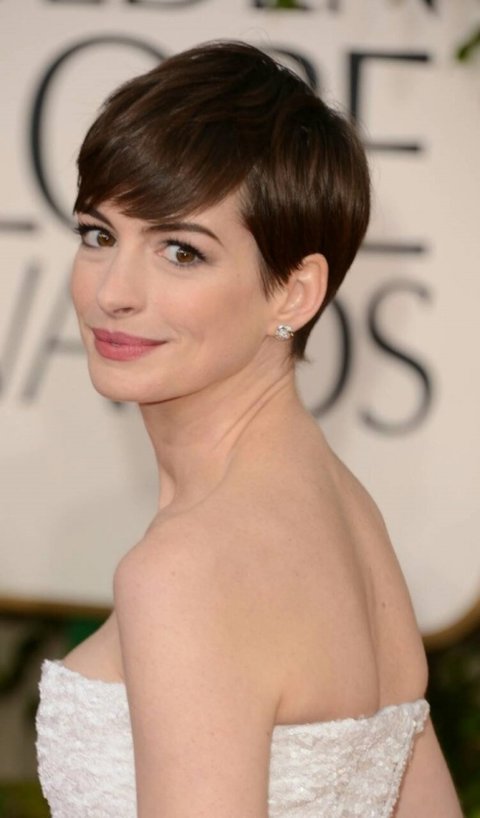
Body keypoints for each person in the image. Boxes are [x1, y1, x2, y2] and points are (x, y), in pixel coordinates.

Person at [35, 40, 463, 818]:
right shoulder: (344, 510)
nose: (113, 292)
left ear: (293, 293)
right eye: (100, 234)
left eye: (180, 251)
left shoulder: (186, 569)